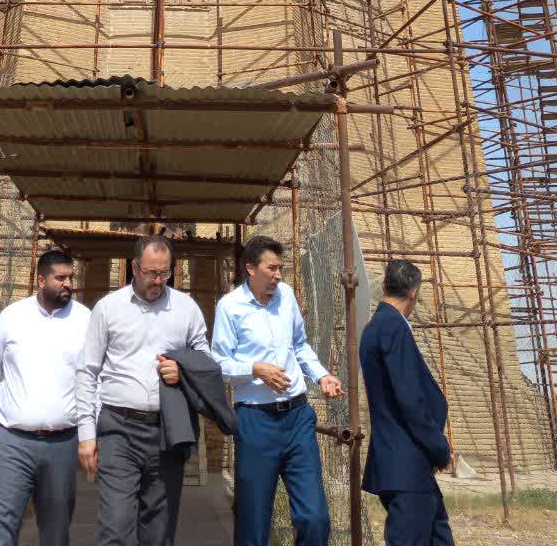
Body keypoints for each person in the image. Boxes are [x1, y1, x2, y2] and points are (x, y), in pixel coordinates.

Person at [76, 234, 210, 546]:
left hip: (167, 432)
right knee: (115, 526)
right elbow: (87, 371)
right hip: (117, 430)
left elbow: (206, 362)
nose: (159, 281)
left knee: (159, 530)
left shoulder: (186, 308)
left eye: (165, 272)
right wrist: (86, 434)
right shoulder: (108, 308)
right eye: (151, 273)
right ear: (135, 267)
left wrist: (183, 370)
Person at [211, 234, 343, 546]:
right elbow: (220, 363)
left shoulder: (286, 296)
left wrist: (322, 375)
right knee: (254, 522)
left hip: (298, 418)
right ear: (250, 269)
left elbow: (300, 344)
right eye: (271, 268)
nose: (278, 275)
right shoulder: (230, 307)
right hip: (255, 422)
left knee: (315, 518)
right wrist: (255, 369)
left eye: (280, 268)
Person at [0, 248, 90, 546]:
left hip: (62, 444)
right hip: (12, 443)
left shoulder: (85, 320)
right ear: (41, 281)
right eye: (61, 278)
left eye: (71, 277)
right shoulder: (13, 317)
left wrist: (90, 435)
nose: (68, 284)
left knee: (56, 531)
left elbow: (94, 381)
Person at [359, 260, 454, 546]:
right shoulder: (393, 327)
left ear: (385, 285)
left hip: (403, 464)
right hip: (406, 463)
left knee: (438, 535)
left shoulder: (376, 327)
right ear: (414, 291)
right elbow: (411, 400)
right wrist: (439, 447)